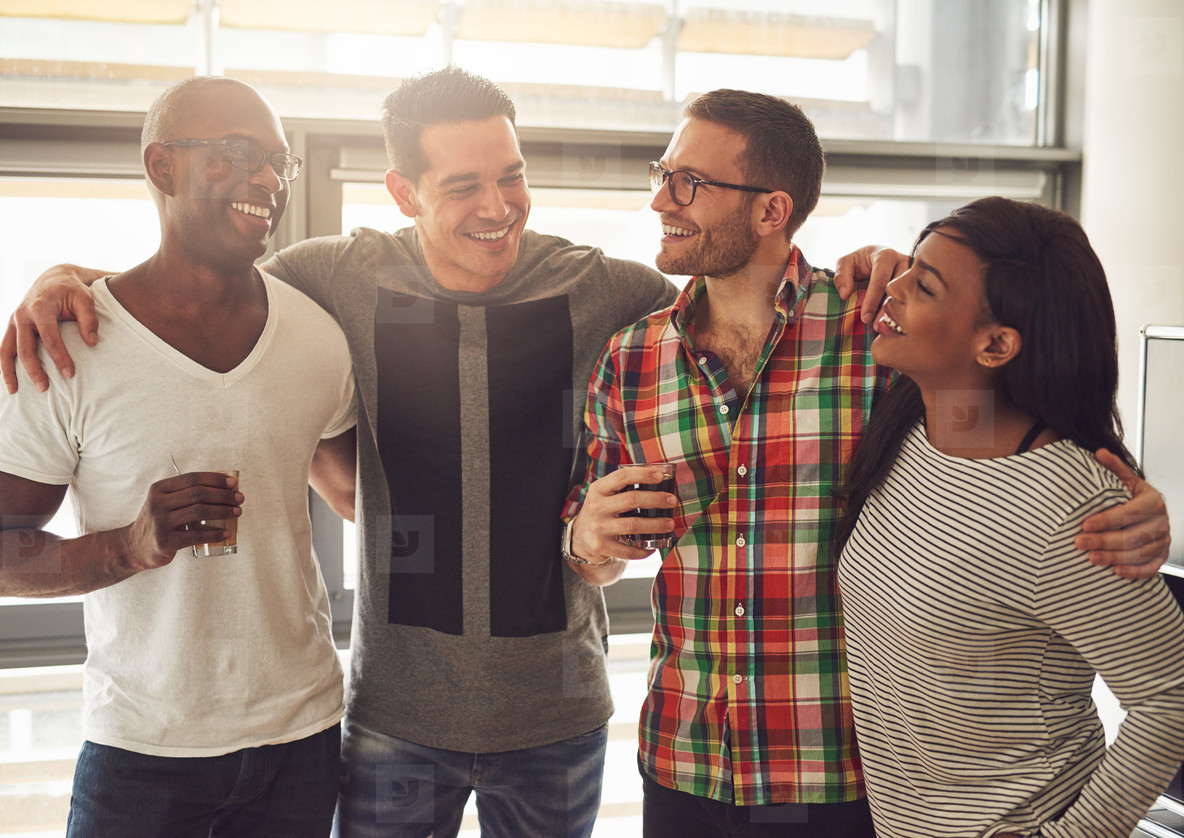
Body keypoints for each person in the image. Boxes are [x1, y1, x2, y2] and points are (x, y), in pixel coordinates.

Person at [1, 72, 1169, 836]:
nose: (499, 205)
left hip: (708, 745)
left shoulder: (663, 307)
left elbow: (988, 395)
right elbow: (203, 281)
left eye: (511, 174)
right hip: (427, 721)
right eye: (463, 185)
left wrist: (1117, 482)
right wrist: (71, 281)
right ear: (402, 189)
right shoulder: (341, 284)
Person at [562, 89, 1173, 837]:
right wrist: (585, 541)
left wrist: (1133, 503)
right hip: (684, 762)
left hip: (847, 781)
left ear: (771, 210)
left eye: (689, 182)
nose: (661, 198)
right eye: (663, 173)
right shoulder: (629, 359)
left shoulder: (876, 337)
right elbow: (595, 553)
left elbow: (1014, 428)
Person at [0, 76, 358, 837]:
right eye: (237, 153)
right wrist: (126, 547)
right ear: (162, 167)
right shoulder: (66, 349)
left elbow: (361, 495)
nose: (268, 179)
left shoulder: (318, 338)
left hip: (303, 741)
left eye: (278, 162)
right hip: (142, 753)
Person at [834, 197, 1184, 837]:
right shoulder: (909, 430)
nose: (895, 288)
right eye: (909, 267)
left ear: (995, 345)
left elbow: (1169, 699)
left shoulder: (1070, 505)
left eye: (924, 285)